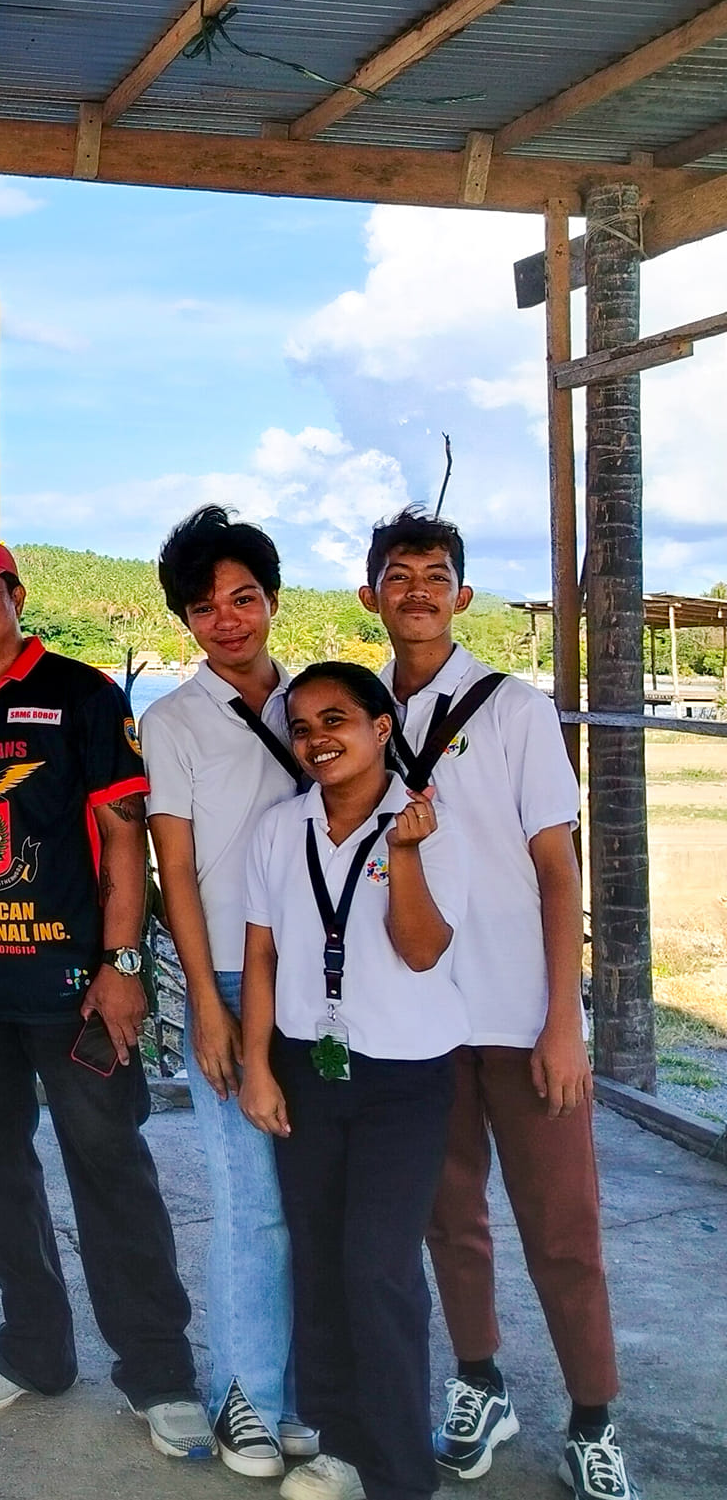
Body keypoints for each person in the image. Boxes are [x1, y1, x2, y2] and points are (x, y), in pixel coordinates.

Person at [0, 535, 212, 1461]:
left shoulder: (82, 694)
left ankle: (159, 1372)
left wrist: (124, 963)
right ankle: (34, 1348)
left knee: (111, 1172)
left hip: (74, 990)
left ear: (17, 595)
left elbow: (123, 838)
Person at [358, 509, 633, 1500]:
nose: (417, 591)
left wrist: (565, 1020)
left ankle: (593, 1420)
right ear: (369, 596)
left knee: (563, 1228)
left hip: (521, 1017)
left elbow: (557, 870)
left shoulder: (514, 710)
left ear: (461, 595)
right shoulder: (359, 719)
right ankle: (480, 1381)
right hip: (421, 1022)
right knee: (448, 1218)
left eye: (435, 575)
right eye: (398, 575)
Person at [238, 662, 470, 1500]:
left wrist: (403, 854)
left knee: (379, 1267)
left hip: (404, 1074)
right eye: (302, 728)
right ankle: (338, 1441)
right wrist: (258, 1065)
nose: (316, 739)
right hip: (308, 1066)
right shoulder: (281, 828)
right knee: (321, 1256)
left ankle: (401, 1471)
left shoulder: (430, 824)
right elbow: (261, 952)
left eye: (335, 719)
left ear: (381, 727)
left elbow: (422, 948)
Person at [143, 507, 318, 1478]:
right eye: (205, 608)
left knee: (319, 1196)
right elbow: (173, 869)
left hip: (325, 983)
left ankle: (305, 1395)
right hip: (224, 978)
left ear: (272, 599)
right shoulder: (172, 721)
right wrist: (205, 1008)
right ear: (185, 620)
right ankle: (243, 1394)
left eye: (243, 598)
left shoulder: (320, 706)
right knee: (250, 1197)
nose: (227, 621)